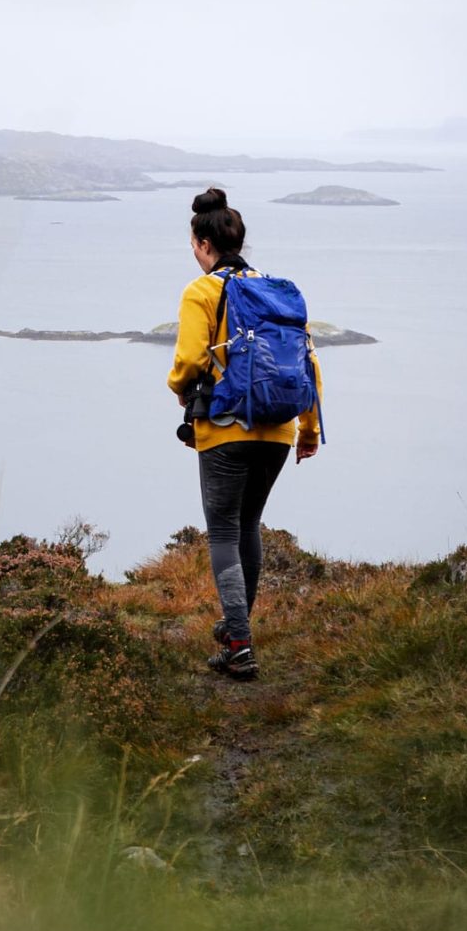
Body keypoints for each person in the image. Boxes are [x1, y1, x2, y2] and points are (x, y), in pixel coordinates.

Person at [167, 187, 322, 680]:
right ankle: (238, 630)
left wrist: (176, 386)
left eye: (193, 245)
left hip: (225, 428)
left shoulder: (203, 290)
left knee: (224, 530)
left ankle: (238, 642)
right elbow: (309, 363)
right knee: (249, 524)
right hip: (277, 430)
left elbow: (191, 359)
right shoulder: (277, 291)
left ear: (202, 244)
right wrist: (308, 428)